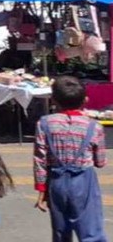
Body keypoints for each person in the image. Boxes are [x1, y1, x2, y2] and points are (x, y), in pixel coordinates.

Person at [33, 75, 106, 241]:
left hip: (56, 180)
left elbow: (40, 160)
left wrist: (41, 189)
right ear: (85, 100)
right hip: (84, 180)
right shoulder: (94, 126)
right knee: (91, 230)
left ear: (53, 100)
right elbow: (100, 162)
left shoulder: (44, 123)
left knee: (60, 232)